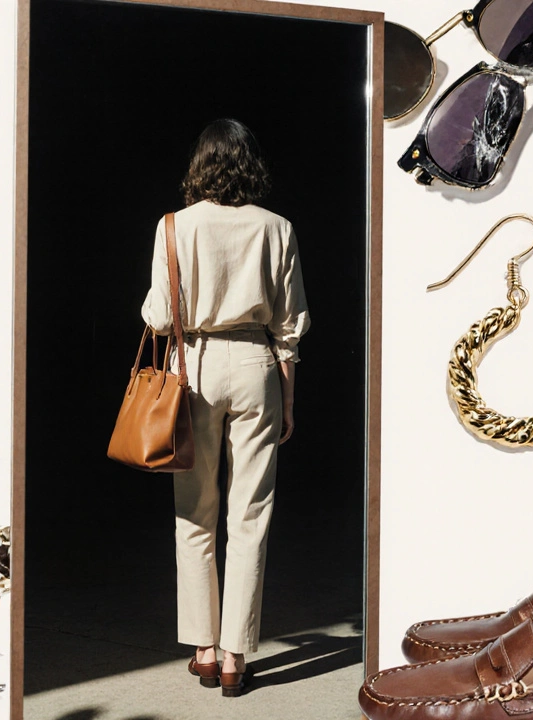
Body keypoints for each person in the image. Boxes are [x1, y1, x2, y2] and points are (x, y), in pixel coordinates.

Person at [141, 118, 310, 698]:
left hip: (194, 366)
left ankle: (204, 649)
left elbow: (158, 318)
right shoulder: (278, 228)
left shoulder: (174, 227)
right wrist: (287, 399)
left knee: (194, 513)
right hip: (257, 365)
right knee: (250, 514)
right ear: (251, 165)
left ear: (199, 166)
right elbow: (289, 327)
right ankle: (236, 654)